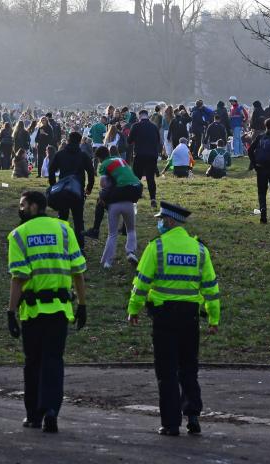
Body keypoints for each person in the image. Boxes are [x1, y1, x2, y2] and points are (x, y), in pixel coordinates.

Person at [127, 201, 219, 436]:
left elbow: (141, 283)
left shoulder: (156, 248)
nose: (158, 222)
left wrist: (134, 309)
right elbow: (210, 286)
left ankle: (170, 423)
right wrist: (214, 318)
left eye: (160, 219)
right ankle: (193, 415)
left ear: (168, 221)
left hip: (164, 317)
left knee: (166, 372)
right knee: (189, 368)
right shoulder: (199, 250)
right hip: (190, 317)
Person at [6, 190, 87, 434]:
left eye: (22, 205)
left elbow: (19, 278)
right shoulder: (64, 230)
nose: (20, 209)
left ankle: (33, 415)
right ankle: (51, 409)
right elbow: (77, 272)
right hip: (60, 309)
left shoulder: (19, 235)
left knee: (33, 363)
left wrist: (11, 311)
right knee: (53, 361)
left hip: (32, 310)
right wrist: (82, 304)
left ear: (34, 206)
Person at [83, 146, 142, 267]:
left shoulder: (104, 164)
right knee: (131, 230)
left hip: (117, 198)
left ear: (99, 158)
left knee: (112, 233)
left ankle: (107, 261)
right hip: (134, 191)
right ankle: (131, 252)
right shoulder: (121, 160)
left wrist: (104, 195)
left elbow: (104, 183)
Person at [48, 131, 96, 248]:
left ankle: (61, 245)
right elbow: (91, 173)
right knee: (78, 220)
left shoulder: (60, 154)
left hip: (63, 190)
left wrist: (54, 186)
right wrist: (88, 188)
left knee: (62, 218)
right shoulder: (83, 155)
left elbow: (51, 171)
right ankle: (80, 247)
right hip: (78, 190)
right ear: (80, 141)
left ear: (68, 140)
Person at [128, 110, 162, 208]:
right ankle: (153, 199)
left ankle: (134, 200)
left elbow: (129, 141)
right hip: (152, 155)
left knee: (136, 178)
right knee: (150, 178)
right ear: (148, 116)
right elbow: (158, 141)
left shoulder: (136, 126)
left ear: (140, 117)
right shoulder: (154, 126)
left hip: (139, 155)